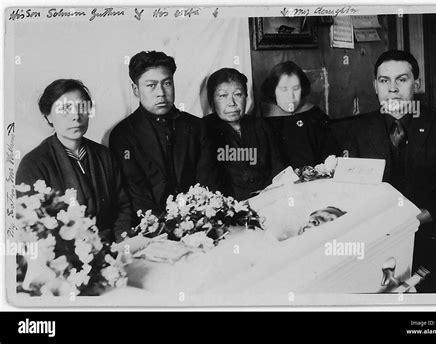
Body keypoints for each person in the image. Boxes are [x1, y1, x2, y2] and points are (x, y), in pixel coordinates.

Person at [346, 50, 436, 292]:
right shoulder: (357, 130)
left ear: (416, 84)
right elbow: (349, 191)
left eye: (402, 79)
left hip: (428, 234)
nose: (393, 89)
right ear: (375, 86)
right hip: (373, 238)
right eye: (384, 81)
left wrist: (415, 219)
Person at [16, 79, 132, 242]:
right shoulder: (33, 164)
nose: (76, 117)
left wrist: (123, 242)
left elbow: (123, 207)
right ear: (48, 116)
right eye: (65, 109)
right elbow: (32, 227)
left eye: (82, 108)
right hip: (66, 257)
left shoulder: (104, 155)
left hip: (113, 248)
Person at [109, 51, 218, 216]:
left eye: (167, 83)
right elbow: (136, 194)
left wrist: (196, 220)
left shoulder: (197, 127)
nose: (161, 92)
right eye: (151, 85)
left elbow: (208, 182)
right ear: (135, 89)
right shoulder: (123, 135)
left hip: (199, 219)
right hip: (150, 227)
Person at [204, 68, 285, 200]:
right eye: (223, 96)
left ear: (246, 97)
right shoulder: (204, 130)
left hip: (267, 200)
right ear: (212, 100)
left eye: (238, 94)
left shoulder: (260, 126)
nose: (232, 103)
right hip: (228, 208)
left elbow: (279, 169)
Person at [261, 61, 340, 169]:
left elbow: (330, 153)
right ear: (273, 90)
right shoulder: (264, 122)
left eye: (296, 88)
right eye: (284, 89)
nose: (291, 96)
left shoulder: (315, 116)